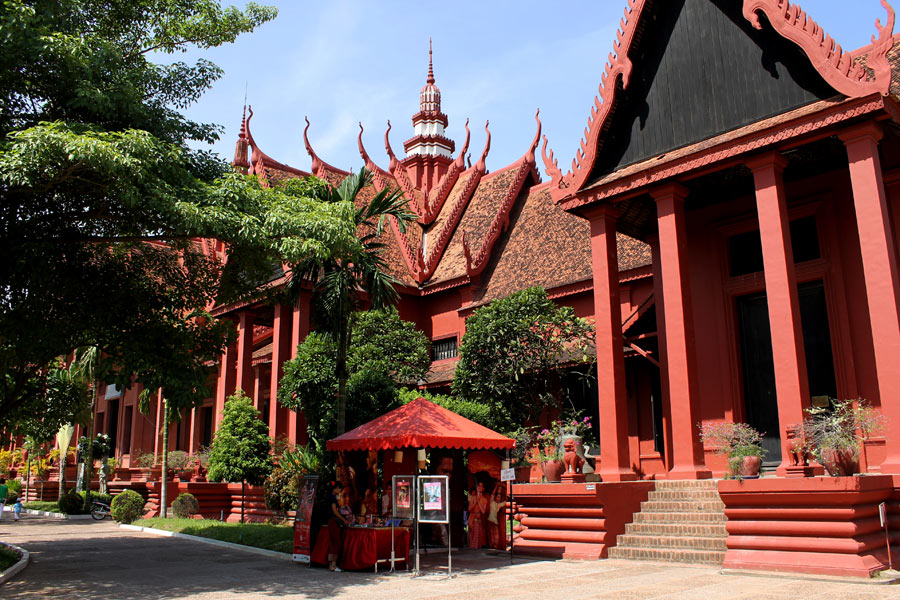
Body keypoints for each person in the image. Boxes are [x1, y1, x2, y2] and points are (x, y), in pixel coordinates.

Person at [327, 482, 352, 572]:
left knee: (333, 541)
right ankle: (333, 564)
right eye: (340, 489)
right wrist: (343, 519)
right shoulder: (333, 498)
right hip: (334, 521)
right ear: (336, 488)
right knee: (336, 542)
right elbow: (335, 511)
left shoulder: (329, 497)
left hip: (330, 520)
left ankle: (331, 563)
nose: (340, 491)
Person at [467, 481, 488, 549]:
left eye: (481, 486)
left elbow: (483, 511)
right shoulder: (473, 497)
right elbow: (469, 509)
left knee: (477, 535)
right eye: (479, 486)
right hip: (472, 517)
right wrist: (476, 501)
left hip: (478, 518)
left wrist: (478, 502)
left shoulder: (484, 500)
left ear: (483, 489)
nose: (480, 487)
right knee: (472, 535)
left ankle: (476, 548)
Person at [487, 483, 506, 550]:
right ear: (496, 498)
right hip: (490, 519)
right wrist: (496, 486)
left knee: (496, 533)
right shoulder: (492, 502)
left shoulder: (499, 505)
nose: (498, 498)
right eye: (497, 497)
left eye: (499, 497)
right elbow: (492, 494)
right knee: (492, 533)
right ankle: (492, 545)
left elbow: (505, 502)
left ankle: (496, 545)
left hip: (494, 520)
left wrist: (505, 489)